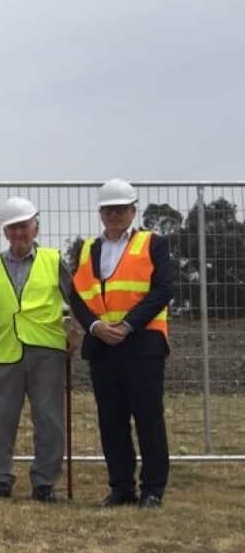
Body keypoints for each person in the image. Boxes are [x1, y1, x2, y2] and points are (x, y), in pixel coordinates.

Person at [69, 178, 172, 508]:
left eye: (121, 209)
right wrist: (96, 326)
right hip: (102, 345)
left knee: (148, 418)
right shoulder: (88, 248)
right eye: (108, 210)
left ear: (132, 210)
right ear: (101, 213)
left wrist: (127, 325)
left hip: (142, 344)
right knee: (111, 420)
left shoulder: (153, 243)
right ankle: (122, 487)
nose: (114, 215)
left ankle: (152, 489)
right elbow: (77, 294)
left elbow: (162, 290)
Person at [0, 197, 74, 503]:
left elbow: (75, 301)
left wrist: (73, 331)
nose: (19, 232)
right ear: (5, 232)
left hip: (47, 348)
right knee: (1, 418)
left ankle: (44, 481)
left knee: (48, 417)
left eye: (24, 226)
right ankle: (1, 477)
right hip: (6, 350)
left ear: (36, 228)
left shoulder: (53, 260)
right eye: (13, 227)